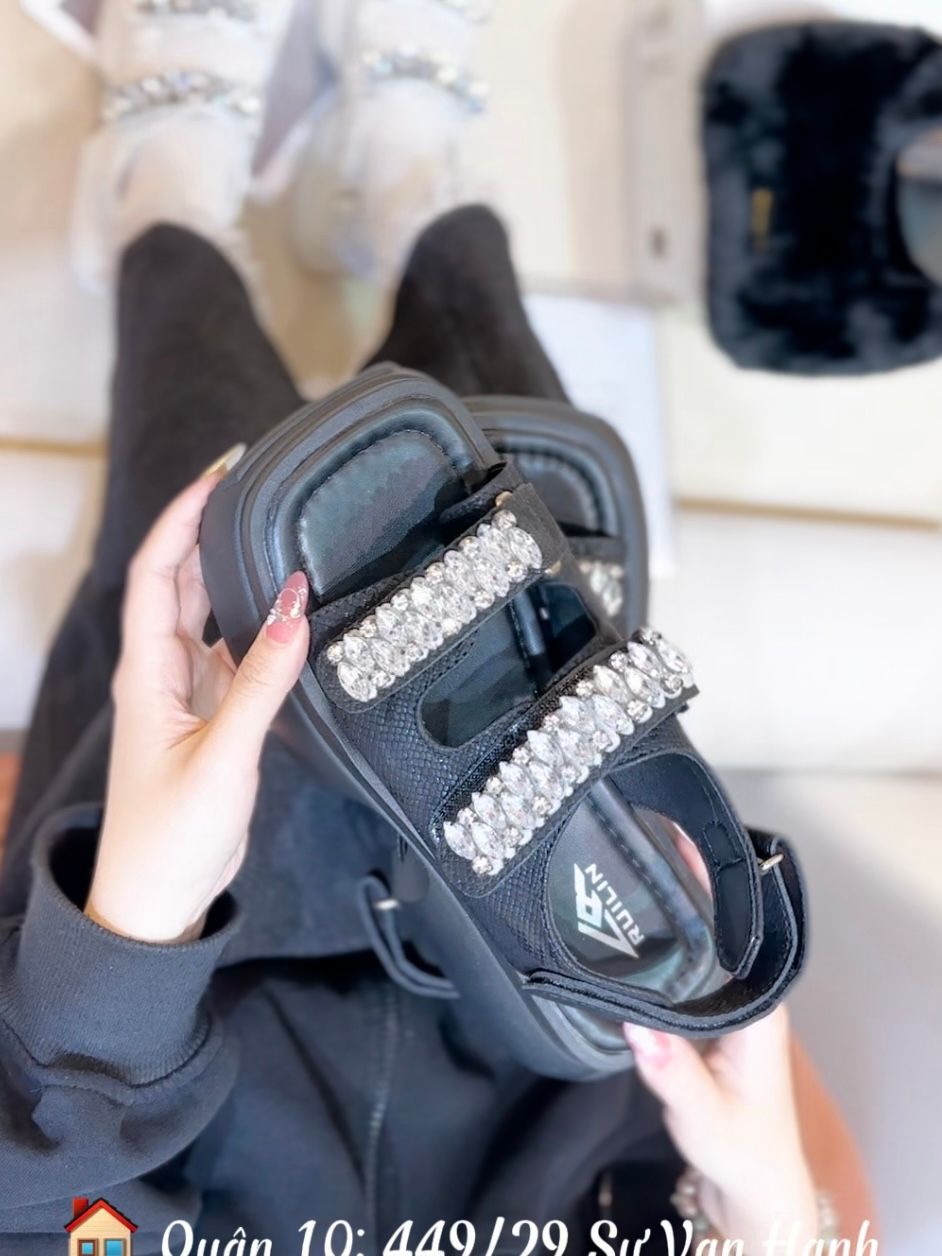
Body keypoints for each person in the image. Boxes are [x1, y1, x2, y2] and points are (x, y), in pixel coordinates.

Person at [0, 2, 874, 1249]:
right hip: (546, 951)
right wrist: (771, 1201)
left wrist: (136, 923)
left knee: (213, 509)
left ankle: (165, 191)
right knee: (504, 454)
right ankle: (415, 187)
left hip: (205, 964)